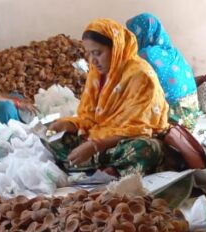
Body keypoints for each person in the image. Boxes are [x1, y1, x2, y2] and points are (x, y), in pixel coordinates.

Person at [47, 18, 169, 177]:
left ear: (116, 48)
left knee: (144, 149)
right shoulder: (97, 74)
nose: (93, 61)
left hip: (128, 140)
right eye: (89, 54)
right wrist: (69, 124)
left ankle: (90, 166)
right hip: (100, 136)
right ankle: (108, 168)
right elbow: (89, 117)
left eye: (98, 53)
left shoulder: (141, 75)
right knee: (56, 139)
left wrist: (95, 147)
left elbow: (139, 129)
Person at [126, 13, 201, 130]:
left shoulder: (145, 55)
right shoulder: (173, 51)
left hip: (174, 120)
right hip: (192, 114)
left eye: (132, 34)